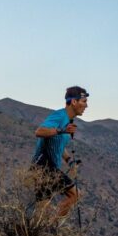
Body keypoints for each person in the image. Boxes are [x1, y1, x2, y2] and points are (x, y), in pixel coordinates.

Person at [31, 85, 88, 218]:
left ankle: (40, 233)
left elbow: (59, 144)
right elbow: (39, 132)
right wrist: (62, 130)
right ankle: (54, 227)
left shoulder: (68, 120)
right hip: (44, 166)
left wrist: (69, 161)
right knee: (75, 194)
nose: (86, 106)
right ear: (74, 102)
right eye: (84, 102)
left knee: (42, 212)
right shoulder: (59, 115)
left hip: (43, 168)